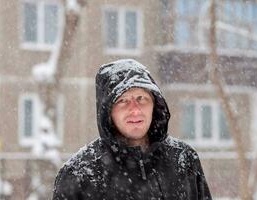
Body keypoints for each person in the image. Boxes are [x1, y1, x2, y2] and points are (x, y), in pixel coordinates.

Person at [52, 59, 212, 200]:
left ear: (155, 104)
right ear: (107, 111)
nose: (135, 109)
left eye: (141, 98)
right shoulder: (79, 173)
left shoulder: (183, 159)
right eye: (122, 100)